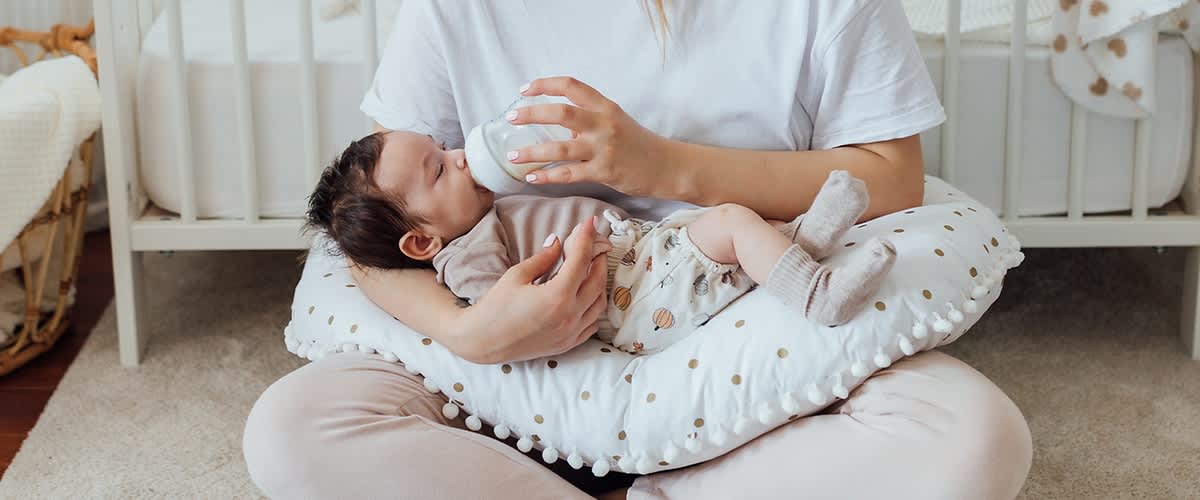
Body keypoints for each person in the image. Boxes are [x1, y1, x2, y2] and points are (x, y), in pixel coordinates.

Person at [243, 1, 1033, 498]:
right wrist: (467, 332)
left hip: (739, 326)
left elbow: (892, 177)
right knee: (293, 427)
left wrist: (665, 167)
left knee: (972, 438)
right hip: (517, 383)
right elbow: (368, 236)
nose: (457, 154)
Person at [304, 129, 896, 353]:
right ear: (420, 242)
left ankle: (802, 241)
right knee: (733, 223)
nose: (459, 156)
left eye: (442, 148)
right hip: (632, 295)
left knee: (728, 229)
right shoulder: (469, 253)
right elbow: (506, 312)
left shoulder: (482, 216)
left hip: (645, 257)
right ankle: (819, 293)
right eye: (438, 170)